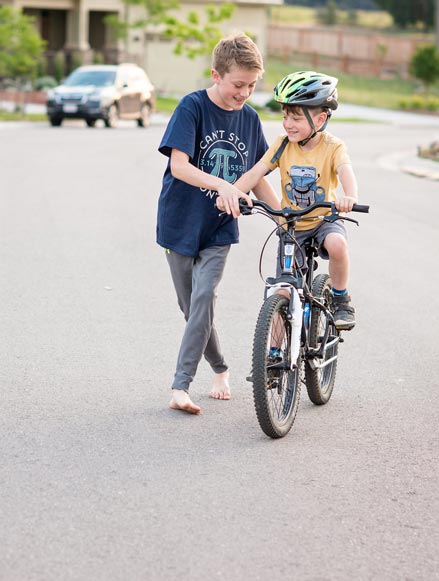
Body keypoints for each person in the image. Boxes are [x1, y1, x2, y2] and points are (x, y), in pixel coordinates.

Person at [157, 33, 280, 415]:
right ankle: (221, 368)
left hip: (220, 227)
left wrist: (281, 215)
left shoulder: (250, 118)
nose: (245, 93)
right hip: (180, 221)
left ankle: (181, 386)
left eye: (252, 85)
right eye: (238, 85)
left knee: (204, 297)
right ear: (216, 75)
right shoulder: (191, 107)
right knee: (192, 307)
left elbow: (258, 173)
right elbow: (180, 166)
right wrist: (223, 184)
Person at [223, 70, 360, 331]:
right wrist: (233, 193)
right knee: (282, 291)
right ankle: (273, 357)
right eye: (286, 116)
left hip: (323, 219)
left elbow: (345, 172)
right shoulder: (282, 145)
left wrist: (350, 197)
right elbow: (255, 173)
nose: (288, 123)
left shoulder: (333, 147)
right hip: (293, 226)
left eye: (296, 118)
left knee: (337, 244)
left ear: (320, 119)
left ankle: (341, 299)